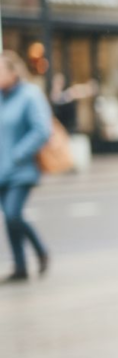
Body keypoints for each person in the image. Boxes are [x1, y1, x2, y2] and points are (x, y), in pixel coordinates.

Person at [0, 50, 52, 283]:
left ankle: (40, 250)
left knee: (13, 214)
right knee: (10, 218)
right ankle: (20, 266)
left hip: (22, 170)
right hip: (2, 171)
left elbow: (42, 130)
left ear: (13, 73)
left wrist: (18, 154)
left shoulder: (30, 95)